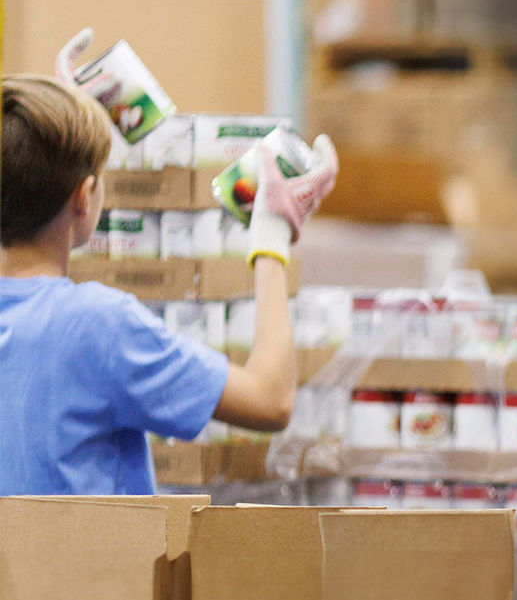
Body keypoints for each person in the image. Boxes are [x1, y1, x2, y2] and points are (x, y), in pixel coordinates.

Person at [0, 74, 337, 495]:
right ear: (84, 197)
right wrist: (271, 235)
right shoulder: (98, 326)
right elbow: (271, 401)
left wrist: (44, 131)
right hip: (90, 562)